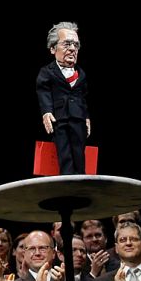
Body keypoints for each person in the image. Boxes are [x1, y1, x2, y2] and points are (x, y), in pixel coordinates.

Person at [36, 21, 90, 174]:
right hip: (60, 119)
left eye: (76, 45)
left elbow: (82, 97)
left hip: (78, 119)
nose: (72, 49)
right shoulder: (47, 72)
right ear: (53, 48)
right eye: (67, 44)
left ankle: (80, 181)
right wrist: (46, 112)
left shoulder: (81, 74)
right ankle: (66, 183)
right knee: (64, 152)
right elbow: (43, 92)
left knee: (79, 152)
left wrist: (86, 116)